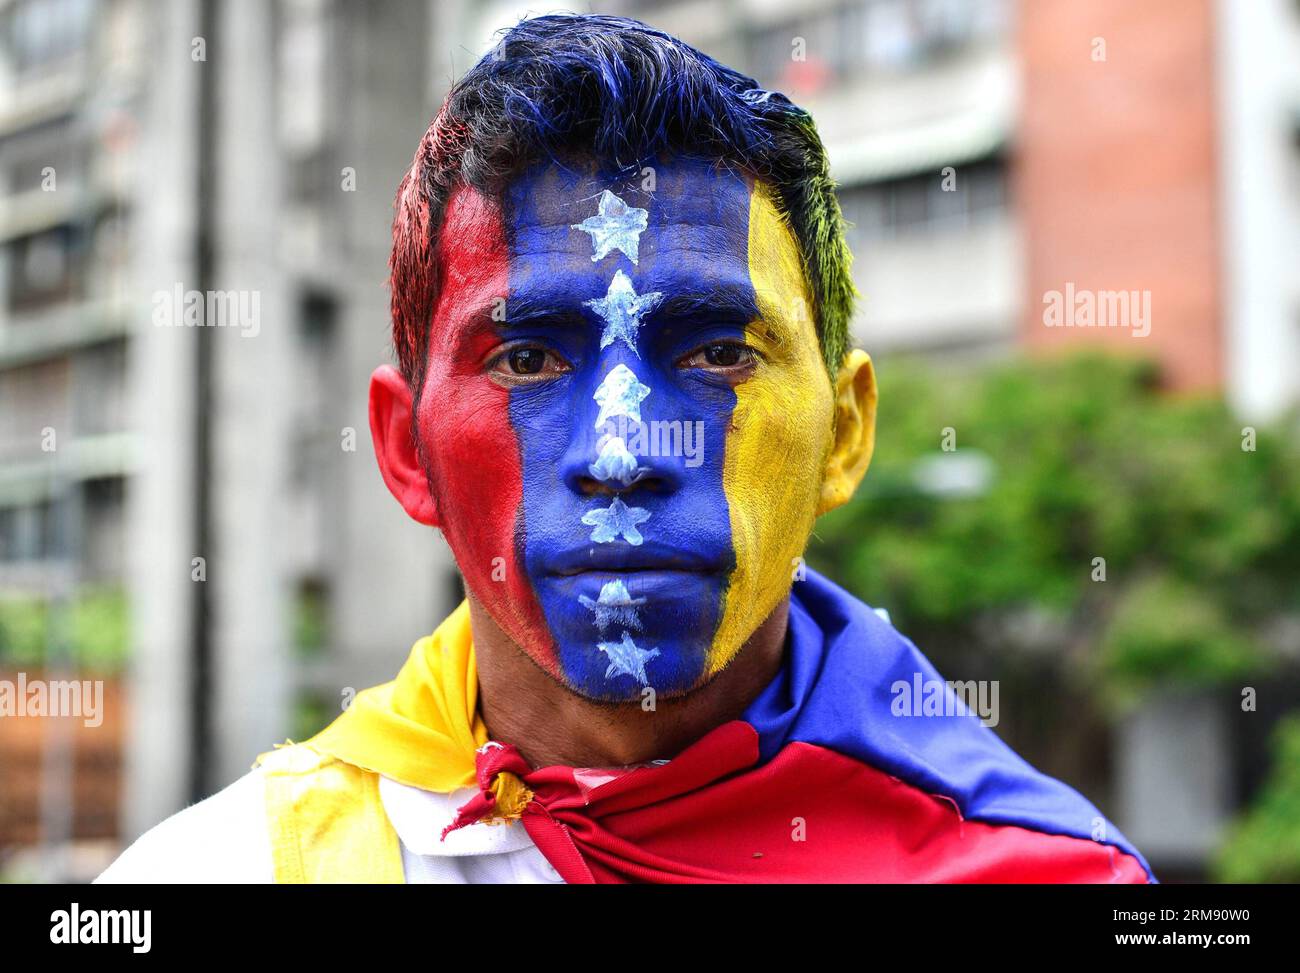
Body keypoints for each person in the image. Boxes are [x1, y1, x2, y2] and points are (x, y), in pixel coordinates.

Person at [99, 14, 1153, 884]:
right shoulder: (221, 874)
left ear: (844, 429)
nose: (620, 452)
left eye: (715, 352)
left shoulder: (1042, 874)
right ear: (404, 448)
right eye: (523, 360)